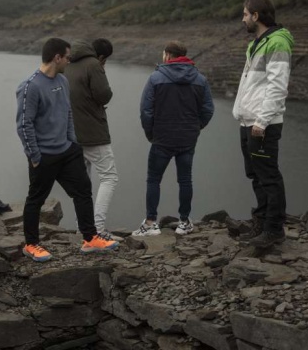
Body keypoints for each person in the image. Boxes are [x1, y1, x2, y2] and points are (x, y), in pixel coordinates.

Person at [16, 37, 119, 261]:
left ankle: (90, 238)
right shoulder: (30, 86)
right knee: (36, 199)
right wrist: (34, 155)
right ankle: (31, 244)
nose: (69, 61)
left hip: (68, 150)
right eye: (67, 57)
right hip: (44, 155)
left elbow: (68, 113)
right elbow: (24, 125)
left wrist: (72, 141)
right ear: (57, 57)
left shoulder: (62, 81)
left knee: (83, 190)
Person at [133, 42, 214, 237]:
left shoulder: (156, 78)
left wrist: (151, 133)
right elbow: (208, 109)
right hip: (187, 138)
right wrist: (196, 128)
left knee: (154, 179)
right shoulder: (200, 79)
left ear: (168, 55)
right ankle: (184, 222)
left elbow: (146, 111)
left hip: (162, 138)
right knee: (185, 180)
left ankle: (151, 222)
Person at [232, 0, 294, 249]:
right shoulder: (256, 43)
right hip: (249, 121)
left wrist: (262, 121)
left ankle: (273, 229)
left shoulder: (277, 43)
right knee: (255, 174)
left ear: (256, 16)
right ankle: (261, 221)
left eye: (245, 14)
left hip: (262, 124)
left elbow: (277, 87)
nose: (243, 19)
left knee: (268, 176)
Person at [65, 38, 119, 239]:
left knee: (82, 182)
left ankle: (83, 228)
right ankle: (97, 228)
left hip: (72, 133)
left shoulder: (69, 63)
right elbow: (104, 95)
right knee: (109, 177)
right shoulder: (93, 64)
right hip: (93, 133)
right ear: (102, 56)